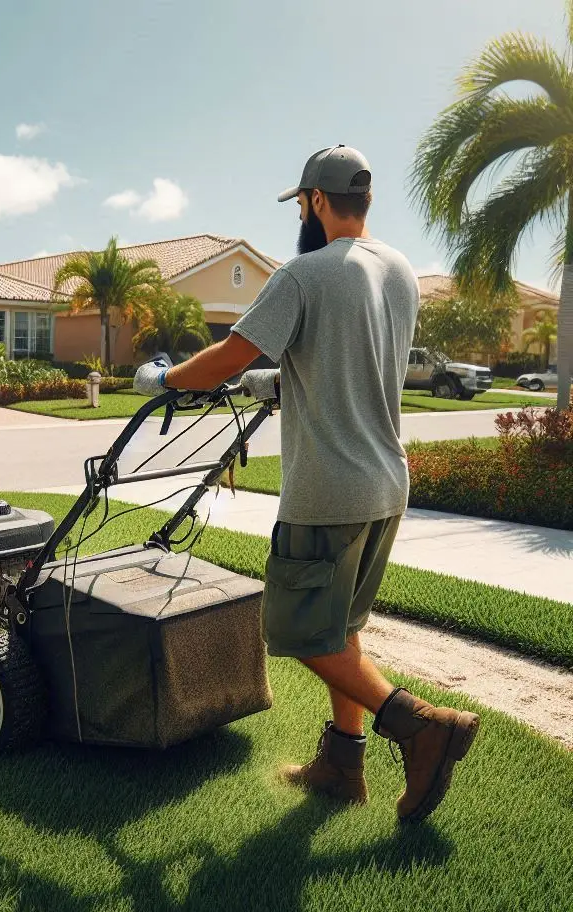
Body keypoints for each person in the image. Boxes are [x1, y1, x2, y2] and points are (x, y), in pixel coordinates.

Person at [134, 145, 480, 824]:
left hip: (328, 490)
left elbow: (224, 360)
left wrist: (162, 379)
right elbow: (337, 360)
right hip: (385, 483)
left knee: (294, 631)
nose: (302, 212)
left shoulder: (305, 274)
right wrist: (274, 381)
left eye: (301, 202)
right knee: (343, 629)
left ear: (316, 201)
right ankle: (342, 765)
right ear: (366, 199)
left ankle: (417, 724)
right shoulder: (399, 271)